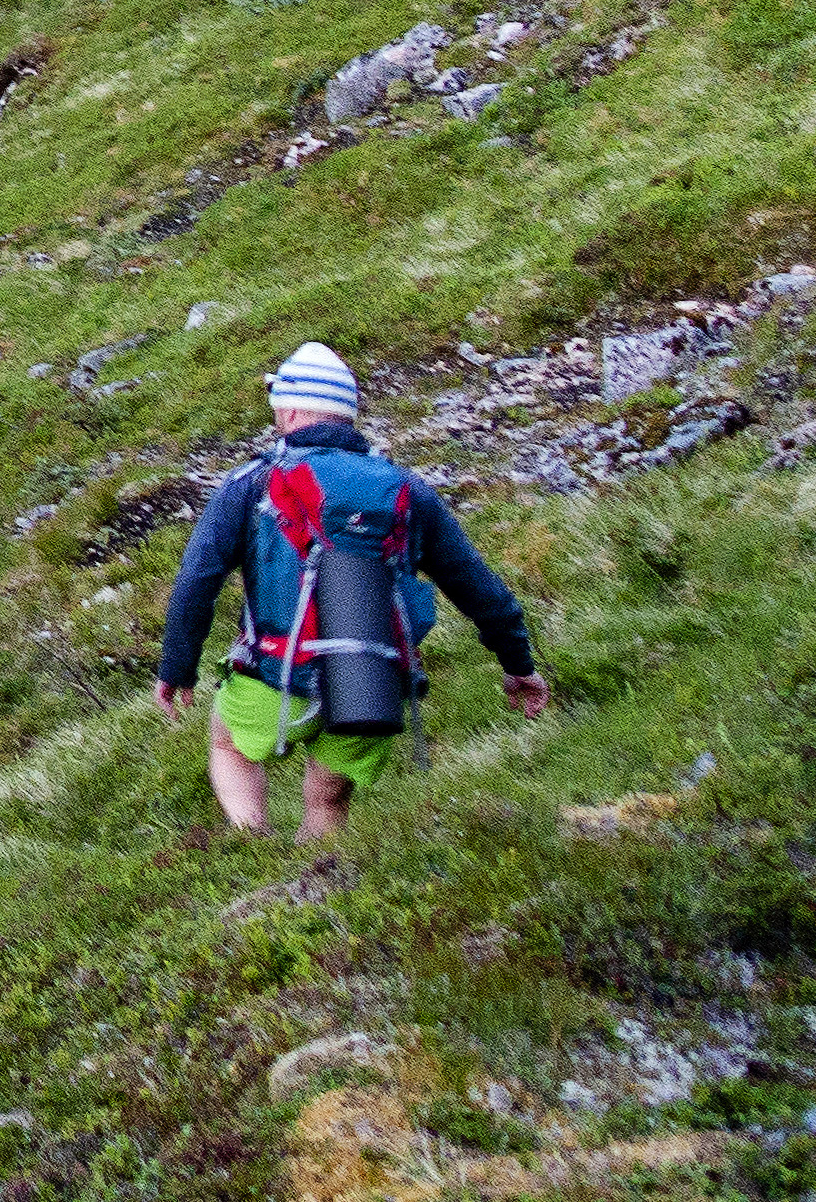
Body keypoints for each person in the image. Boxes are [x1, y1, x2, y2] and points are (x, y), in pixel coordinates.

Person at [152, 339, 550, 838]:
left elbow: (197, 580)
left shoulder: (252, 484)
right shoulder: (408, 491)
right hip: (372, 685)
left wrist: (176, 669)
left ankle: (252, 844)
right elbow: (477, 586)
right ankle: (317, 875)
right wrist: (519, 666)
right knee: (328, 801)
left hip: (274, 680)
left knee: (228, 743)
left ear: (290, 408)